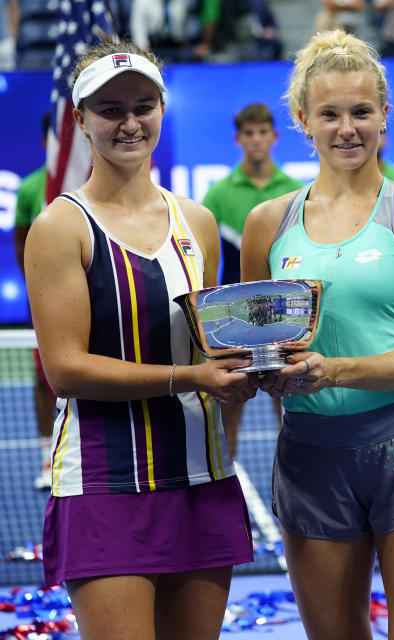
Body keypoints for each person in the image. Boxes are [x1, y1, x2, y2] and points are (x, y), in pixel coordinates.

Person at [23, 36, 257, 638]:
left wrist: (250, 371)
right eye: (110, 109)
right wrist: (193, 377)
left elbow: (209, 345)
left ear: (161, 108)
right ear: (81, 120)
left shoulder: (197, 222)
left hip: (201, 478)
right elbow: (67, 370)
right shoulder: (59, 227)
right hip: (104, 484)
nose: (130, 123)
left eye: (143, 106)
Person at [240, 29, 394, 639]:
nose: (347, 128)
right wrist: (250, 377)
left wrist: (332, 371)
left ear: (384, 116)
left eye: (362, 112)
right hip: (310, 456)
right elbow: (254, 351)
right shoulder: (266, 225)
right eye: (330, 114)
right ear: (302, 119)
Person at [202, 101, 302, 455]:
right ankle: (225, 480)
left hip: (284, 318)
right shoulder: (217, 194)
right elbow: (209, 263)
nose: (256, 140)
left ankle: (294, 471)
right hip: (233, 319)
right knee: (230, 408)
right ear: (238, 139)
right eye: (249, 133)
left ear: (274, 137)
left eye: (263, 133)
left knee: (288, 402)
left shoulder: (295, 190)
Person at [14, 112, 55, 490]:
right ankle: (48, 455)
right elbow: (20, 242)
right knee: (44, 378)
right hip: (43, 299)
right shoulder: (30, 188)